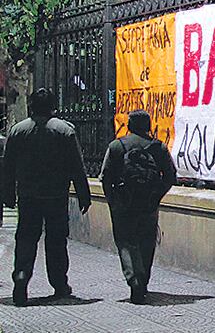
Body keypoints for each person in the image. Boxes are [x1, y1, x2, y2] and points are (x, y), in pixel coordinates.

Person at [1, 88, 91, 307]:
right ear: (53, 106)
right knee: (56, 241)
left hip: (28, 196)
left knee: (25, 238)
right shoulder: (64, 130)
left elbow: (8, 166)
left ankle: (21, 276)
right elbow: (76, 166)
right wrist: (83, 194)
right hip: (56, 196)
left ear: (31, 106)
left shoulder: (17, 131)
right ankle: (59, 284)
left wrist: (7, 194)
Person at [100, 109, 176, 304]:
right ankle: (143, 282)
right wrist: (156, 196)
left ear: (130, 126)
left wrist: (113, 201)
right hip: (148, 205)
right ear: (148, 126)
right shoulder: (158, 148)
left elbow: (106, 177)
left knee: (126, 242)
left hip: (124, 204)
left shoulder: (117, 146)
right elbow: (170, 176)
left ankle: (133, 278)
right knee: (146, 242)